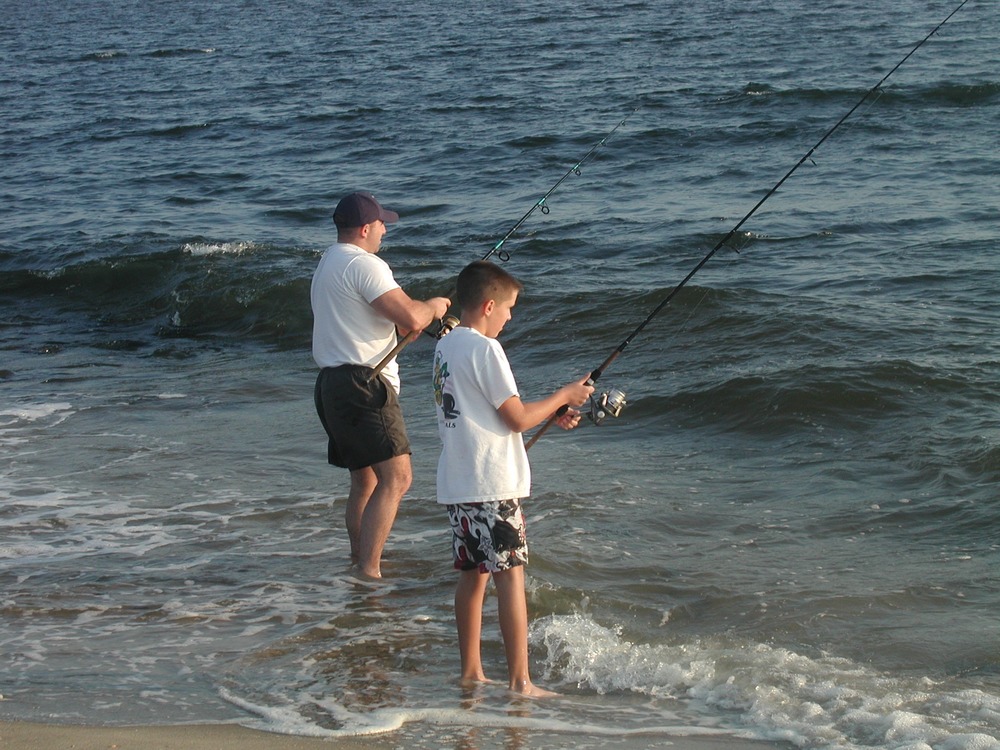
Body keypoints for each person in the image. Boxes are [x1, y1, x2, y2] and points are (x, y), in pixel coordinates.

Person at [432, 260, 594, 696]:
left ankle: (471, 673)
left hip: (460, 483)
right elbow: (517, 418)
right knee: (511, 579)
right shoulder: (487, 350)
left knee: (472, 576)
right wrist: (564, 394)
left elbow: (487, 411)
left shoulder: (446, 347)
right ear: (488, 306)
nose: (510, 317)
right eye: (508, 308)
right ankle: (521, 681)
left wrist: (552, 413)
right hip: (492, 486)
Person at [312, 191, 451, 580]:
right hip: (363, 384)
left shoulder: (327, 263)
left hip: (331, 384)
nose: (385, 230)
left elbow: (397, 325)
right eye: (382, 223)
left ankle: (360, 562)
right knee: (398, 478)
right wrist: (436, 306)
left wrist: (413, 323)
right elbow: (412, 315)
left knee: (366, 479)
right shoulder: (365, 264)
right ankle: (369, 574)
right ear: (364, 228)